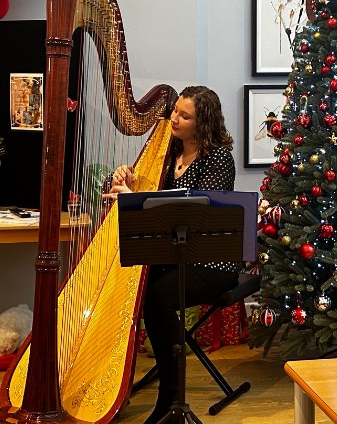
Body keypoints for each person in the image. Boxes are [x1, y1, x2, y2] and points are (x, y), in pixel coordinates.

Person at [106, 86, 241, 424]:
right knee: (130, 288)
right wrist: (129, 181)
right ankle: (110, 384)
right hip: (174, 256)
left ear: (203, 122)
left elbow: (189, 215)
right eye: (174, 112)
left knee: (157, 299)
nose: (174, 119)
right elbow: (157, 204)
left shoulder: (218, 158)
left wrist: (136, 198)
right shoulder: (169, 153)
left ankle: (170, 396)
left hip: (211, 261)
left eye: (184, 115)